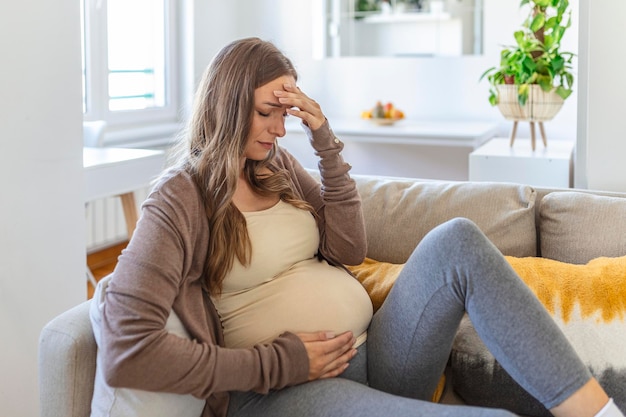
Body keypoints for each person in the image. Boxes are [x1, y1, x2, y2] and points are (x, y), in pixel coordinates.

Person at [89, 37, 624, 417]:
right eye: (267, 112)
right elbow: (126, 352)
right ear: (227, 104)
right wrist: (277, 363)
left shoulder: (275, 167)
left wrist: (322, 137)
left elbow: (348, 248)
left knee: (456, 239)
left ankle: (597, 413)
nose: (279, 129)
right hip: (283, 391)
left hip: (380, 354)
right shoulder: (179, 198)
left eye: (288, 113)